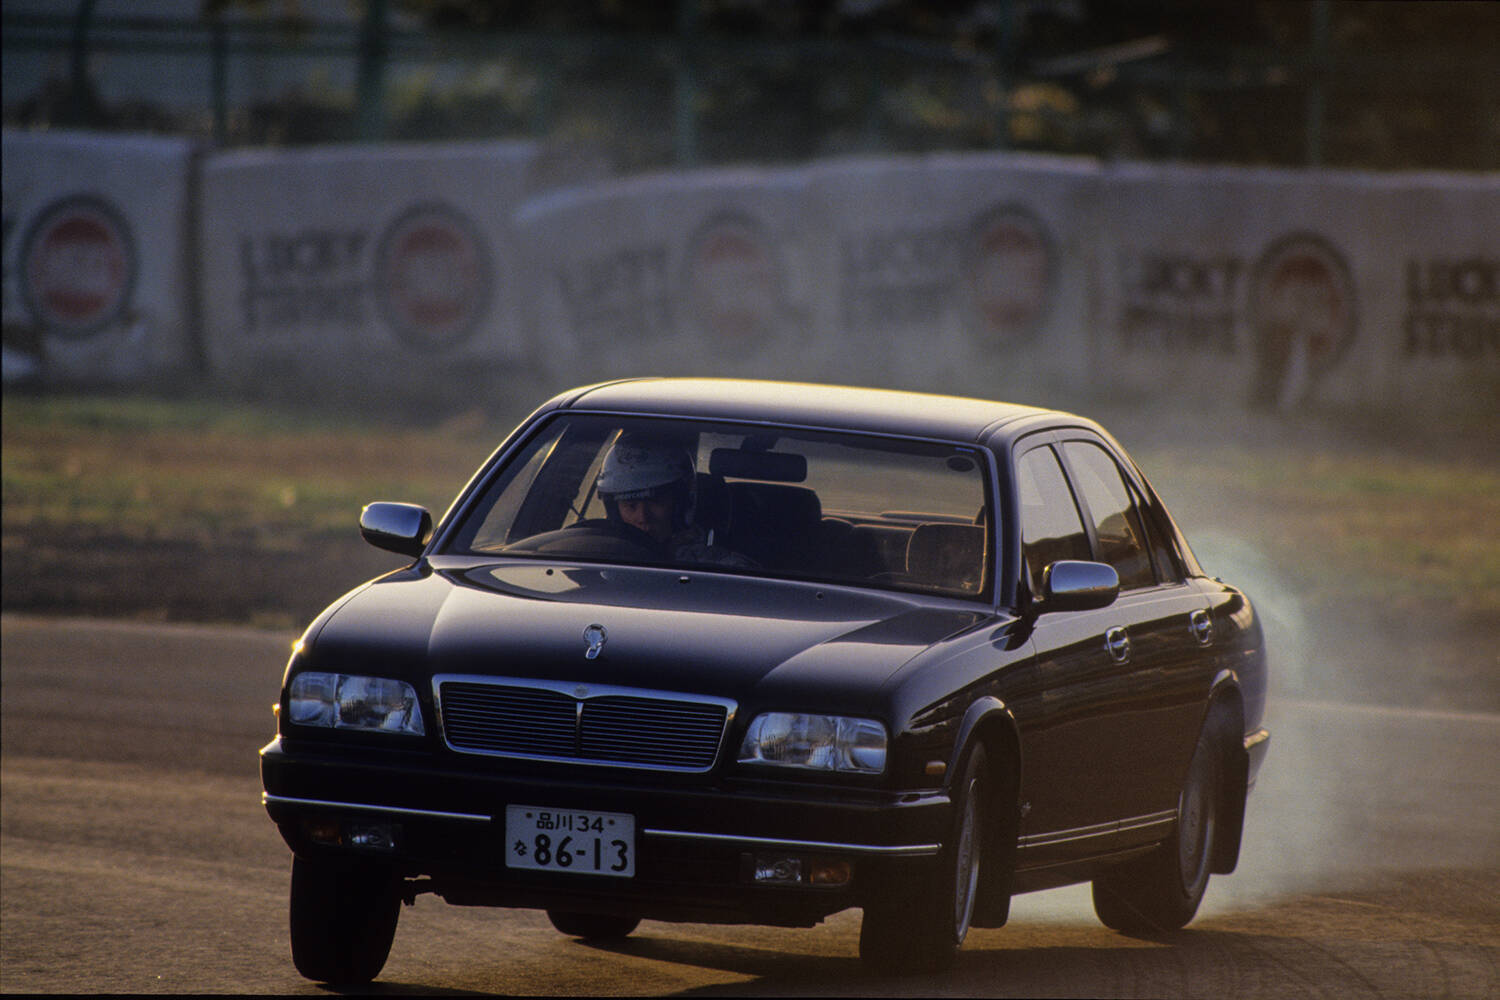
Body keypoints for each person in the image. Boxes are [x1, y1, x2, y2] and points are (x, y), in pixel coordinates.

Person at [595, 434, 754, 568]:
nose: (642, 517)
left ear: (681, 505)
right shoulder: (594, 557)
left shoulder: (723, 568)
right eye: (630, 505)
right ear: (614, 511)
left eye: (655, 502)